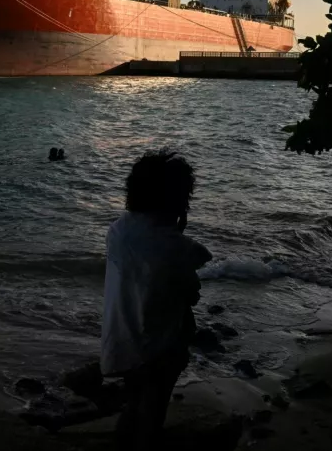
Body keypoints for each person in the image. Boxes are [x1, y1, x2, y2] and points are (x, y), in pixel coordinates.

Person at [102, 149, 212, 450]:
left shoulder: (117, 231)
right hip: (159, 348)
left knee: (135, 402)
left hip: (122, 339)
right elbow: (191, 294)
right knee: (153, 409)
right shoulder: (181, 248)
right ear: (179, 200)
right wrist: (178, 230)